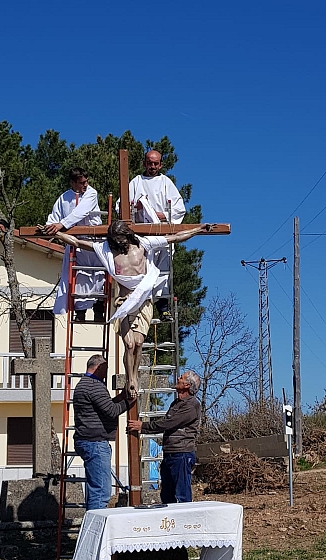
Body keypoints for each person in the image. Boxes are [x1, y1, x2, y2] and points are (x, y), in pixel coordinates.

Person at [55, 221, 214, 399]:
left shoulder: (143, 244)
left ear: (127, 235)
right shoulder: (107, 249)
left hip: (144, 300)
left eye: (121, 238)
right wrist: (55, 234)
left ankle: (135, 374)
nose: (119, 242)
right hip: (124, 302)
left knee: (138, 343)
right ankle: (131, 379)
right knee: (129, 344)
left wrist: (198, 230)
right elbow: (77, 243)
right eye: (115, 239)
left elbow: (175, 237)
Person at [119, 150, 187, 320]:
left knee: (162, 271)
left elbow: (179, 210)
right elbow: (122, 207)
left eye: (156, 163)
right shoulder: (136, 183)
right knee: (141, 271)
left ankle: (162, 306)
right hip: (141, 236)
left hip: (162, 234)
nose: (153, 166)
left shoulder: (166, 183)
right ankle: (138, 306)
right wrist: (137, 209)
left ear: (161, 165)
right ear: (144, 163)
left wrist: (158, 214)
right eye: (150, 163)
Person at [41, 167, 105, 322]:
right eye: (82, 182)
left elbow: (80, 212)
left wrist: (61, 225)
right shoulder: (64, 198)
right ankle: (81, 312)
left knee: (99, 276)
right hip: (76, 244)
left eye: (86, 181)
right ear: (73, 182)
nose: (85, 185)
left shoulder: (91, 193)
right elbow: (54, 217)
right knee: (80, 278)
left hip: (94, 241)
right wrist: (48, 227)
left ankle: (98, 310)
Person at [127, 370, 201, 503]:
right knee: (167, 495)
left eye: (182, 377)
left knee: (182, 495)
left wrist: (143, 426)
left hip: (181, 454)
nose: (178, 378)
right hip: (170, 454)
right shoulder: (176, 403)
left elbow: (169, 423)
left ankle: (185, 522)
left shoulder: (191, 405)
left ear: (187, 385)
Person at [73, 354, 135, 511]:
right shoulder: (95, 386)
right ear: (98, 368)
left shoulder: (83, 384)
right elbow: (112, 411)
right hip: (95, 442)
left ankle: (91, 524)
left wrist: (121, 396)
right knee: (101, 492)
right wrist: (129, 401)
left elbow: (104, 406)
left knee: (95, 489)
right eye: (105, 369)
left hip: (86, 440)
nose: (106, 373)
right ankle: (95, 529)